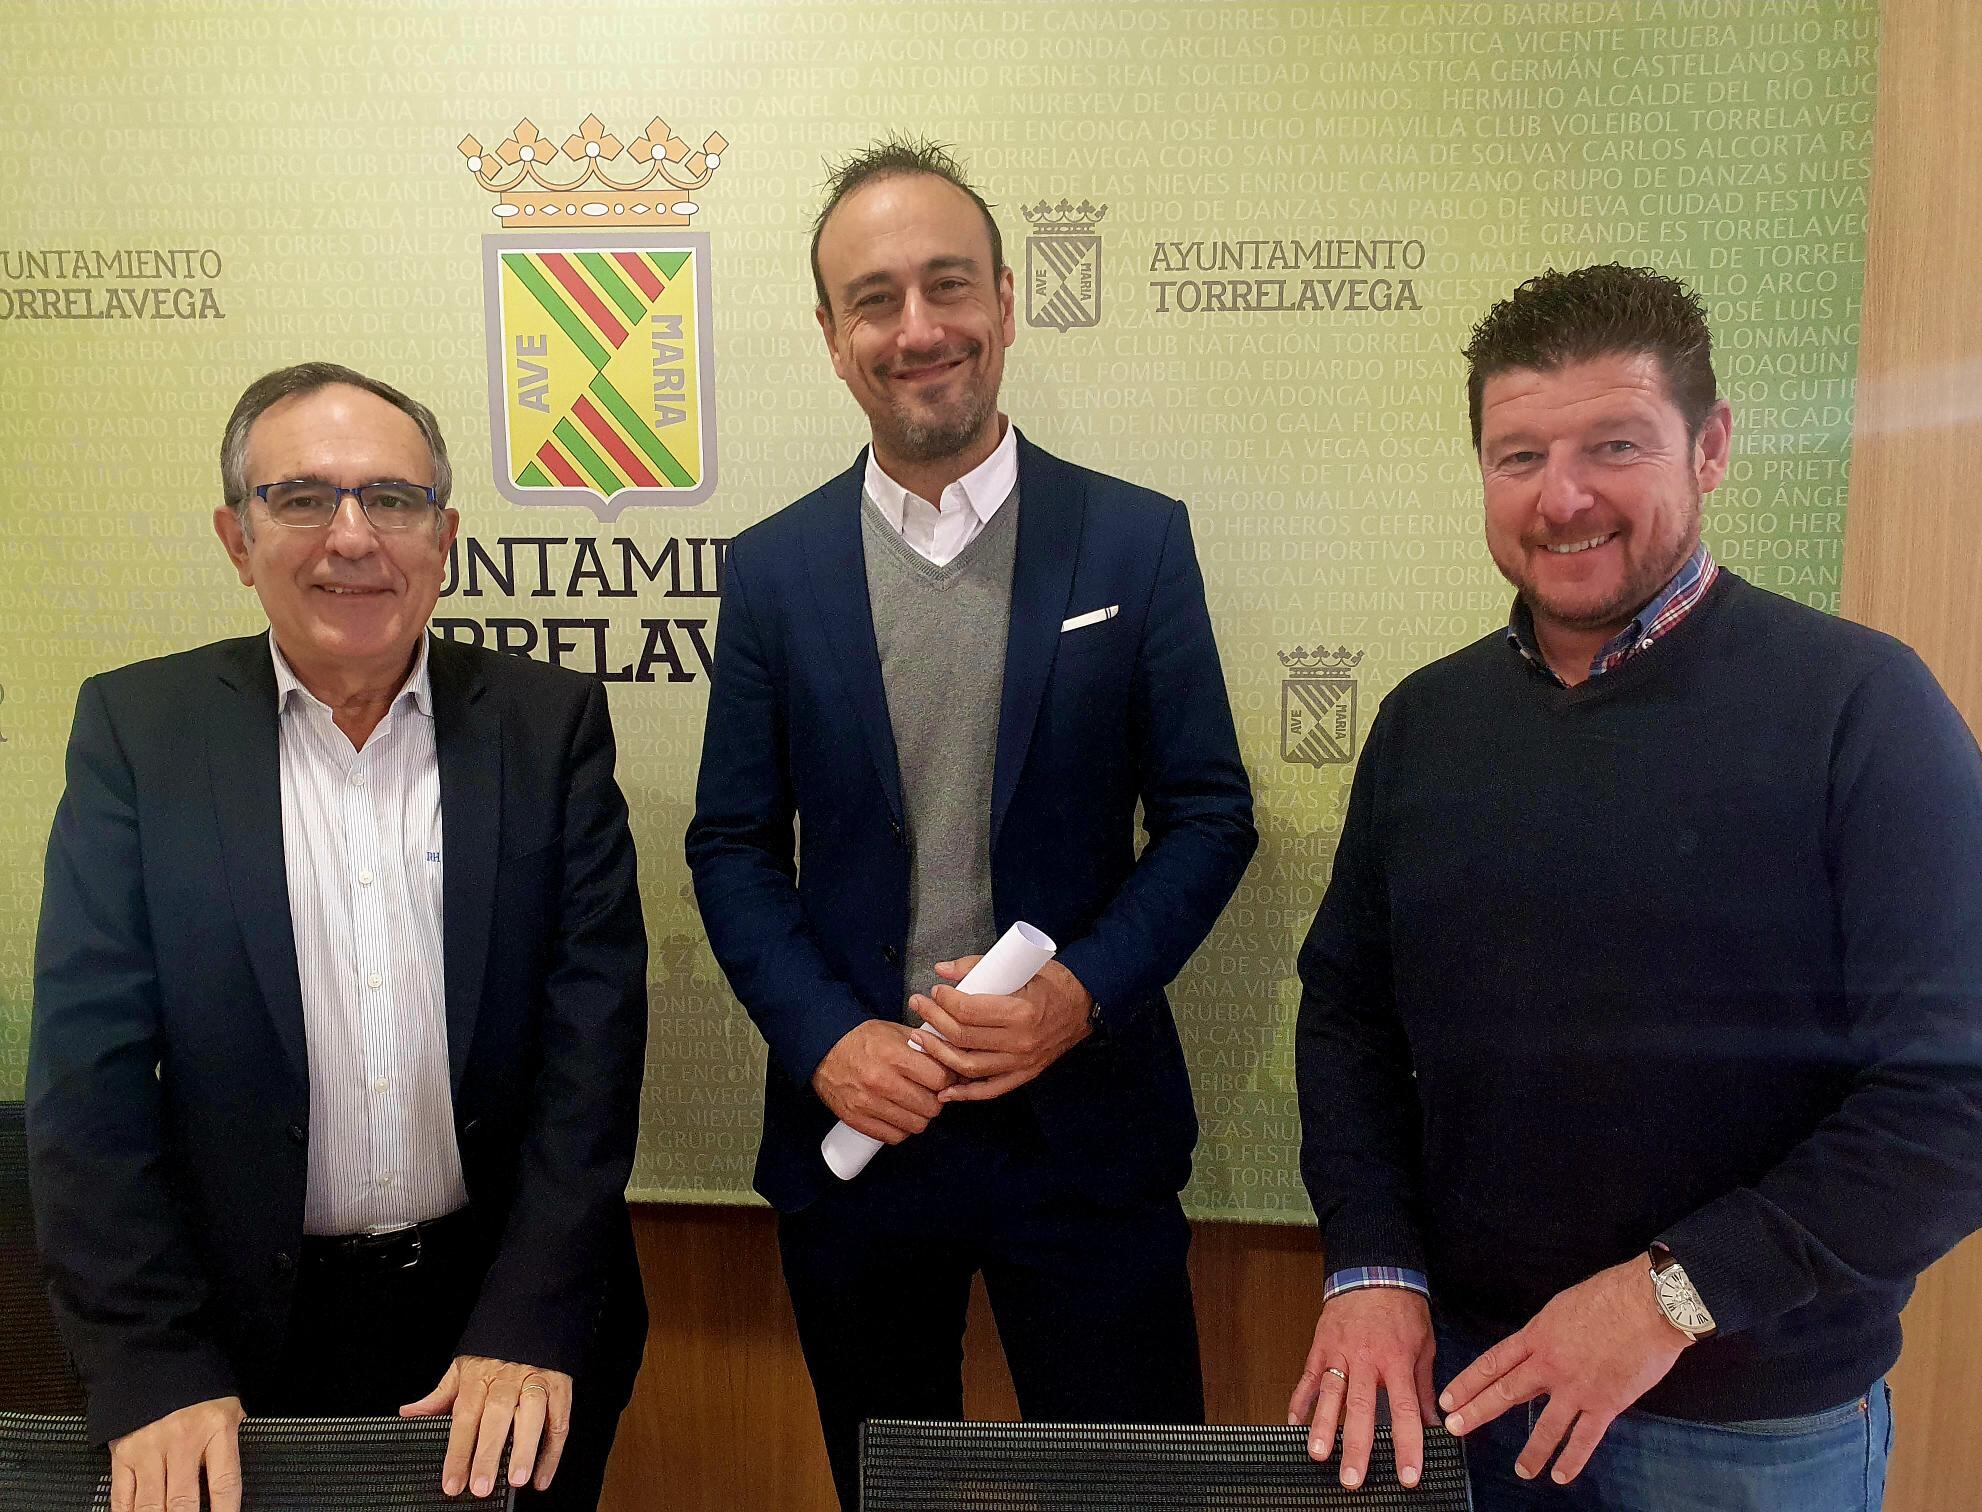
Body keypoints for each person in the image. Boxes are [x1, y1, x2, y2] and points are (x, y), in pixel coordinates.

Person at [1288, 264, 1982, 1510]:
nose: (1563, 496)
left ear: (1712, 446)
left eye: (1614, 444)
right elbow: (1349, 1016)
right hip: (1468, 1395)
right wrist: (1370, 1267)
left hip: (1744, 1433)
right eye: (1518, 456)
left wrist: (1670, 1294)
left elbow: (1971, 1100)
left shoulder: (1861, 708)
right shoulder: (1425, 722)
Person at [687, 137, 1257, 1509]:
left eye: (948, 286)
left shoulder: (1135, 542)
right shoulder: (773, 570)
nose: (918, 327)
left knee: (1132, 1491)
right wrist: (827, 1040)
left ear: (1007, 299)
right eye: (873, 299)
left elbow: (1206, 815)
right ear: (830, 337)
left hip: (1086, 1129)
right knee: (894, 1490)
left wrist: (1079, 995)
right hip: (865, 1135)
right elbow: (733, 845)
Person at [29, 363, 650, 1511]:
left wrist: (531, 1316)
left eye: (392, 499)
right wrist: (152, 1358)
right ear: (236, 535)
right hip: (233, 1348)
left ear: (446, 533)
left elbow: (594, 1053)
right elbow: (87, 1077)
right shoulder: (139, 734)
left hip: (507, 1325)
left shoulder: (546, 726)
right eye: (302, 498)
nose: (352, 537)